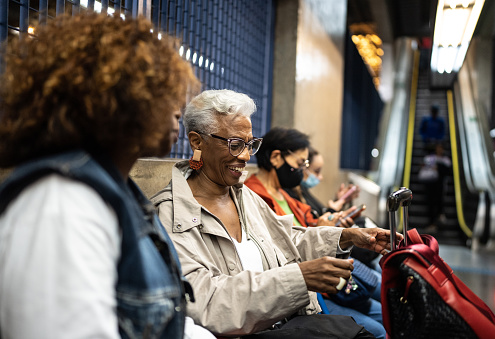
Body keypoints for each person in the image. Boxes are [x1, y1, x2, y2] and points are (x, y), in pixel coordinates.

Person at [0, 12, 214, 339]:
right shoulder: (63, 203)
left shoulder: (119, 191)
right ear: (111, 96)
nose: (177, 111)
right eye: (163, 94)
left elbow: (165, 318)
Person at [152, 89, 400, 338]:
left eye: (250, 144)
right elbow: (207, 302)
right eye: (235, 144)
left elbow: (286, 240)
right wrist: (299, 278)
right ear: (197, 142)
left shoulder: (242, 195)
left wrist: (345, 236)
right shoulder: (171, 215)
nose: (246, 156)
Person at [245, 128, 385, 339]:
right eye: (300, 164)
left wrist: (332, 225)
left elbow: (308, 224)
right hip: (312, 287)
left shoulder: (284, 192)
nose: (303, 172)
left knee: (383, 294)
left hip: (327, 276)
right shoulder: (255, 196)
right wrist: (322, 228)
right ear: (275, 157)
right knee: (377, 327)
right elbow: (284, 247)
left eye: (305, 165)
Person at [419, 143, 452, 232]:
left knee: (438, 203)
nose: (439, 150)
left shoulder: (445, 160)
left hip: (440, 186)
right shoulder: (429, 158)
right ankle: (432, 223)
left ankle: (439, 220)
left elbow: (447, 171)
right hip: (430, 185)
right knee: (431, 204)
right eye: (437, 148)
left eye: (441, 148)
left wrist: (439, 168)